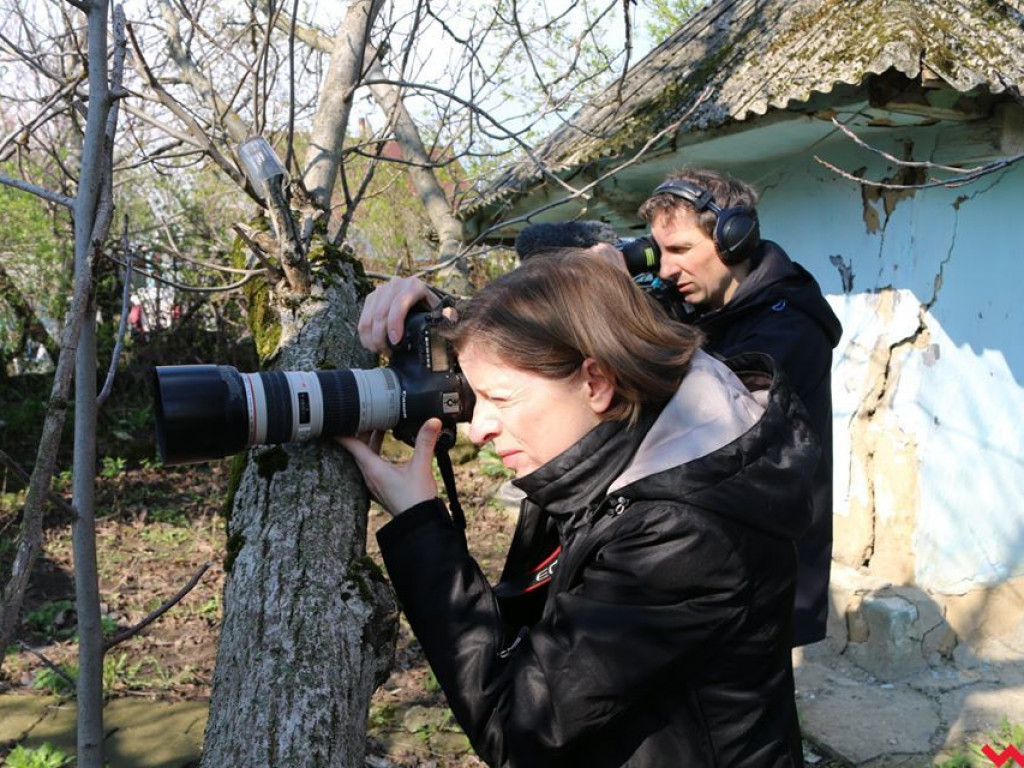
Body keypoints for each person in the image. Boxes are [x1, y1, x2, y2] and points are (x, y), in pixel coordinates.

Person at [341, 252, 818, 767]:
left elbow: (515, 721)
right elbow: (548, 342)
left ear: (595, 382)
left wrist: (419, 528)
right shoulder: (649, 421)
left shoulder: (681, 535)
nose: (479, 427)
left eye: (498, 398)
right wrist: (439, 324)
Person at [637, 169, 842, 646]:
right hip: (717, 555)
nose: (666, 269)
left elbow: (706, 417)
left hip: (765, 560)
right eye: (659, 251)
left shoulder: (787, 327)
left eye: (681, 250)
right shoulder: (711, 312)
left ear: (734, 239)